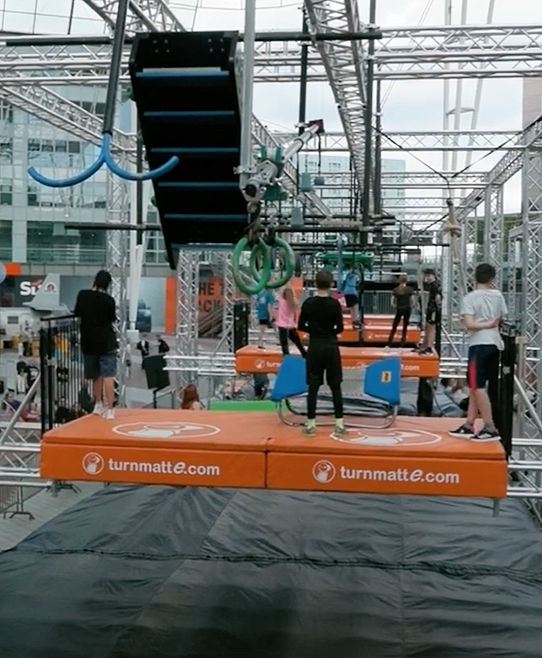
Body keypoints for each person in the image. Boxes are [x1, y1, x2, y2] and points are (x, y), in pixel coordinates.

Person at [449, 263, 507, 442]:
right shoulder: (498, 295)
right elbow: (501, 318)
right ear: (492, 278)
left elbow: (470, 324)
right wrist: (491, 324)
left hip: (479, 345)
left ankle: (490, 426)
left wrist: (485, 324)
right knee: (476, 385)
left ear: (475, 277)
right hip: (495, 344)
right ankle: (469, 424)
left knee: (477, 386)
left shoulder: (470, 298)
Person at [298, 270, 345, 437]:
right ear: (331, 284)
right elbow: (340, 327)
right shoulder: (334, 304)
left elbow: (301, 325)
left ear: (315, 284)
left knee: (313, 387)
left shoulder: (308, 303)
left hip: (315, 346)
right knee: (335, 386)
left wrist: (314, 330)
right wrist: (329, 331)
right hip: (331, 346)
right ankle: (339, 425)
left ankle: (311, 425)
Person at [74, 270, 118, 420]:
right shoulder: (109, 300)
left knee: (95, 375)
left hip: (89, 342)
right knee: (108, 375)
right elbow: (112, 318)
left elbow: (77, 313)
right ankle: (110, 409)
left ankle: (98, 404)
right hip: (107, 342)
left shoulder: (83, 295)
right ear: (108, 284)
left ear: (95, 280)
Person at [276, 286, 306, 357]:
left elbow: (280, 291)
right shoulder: (293, 302)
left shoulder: (281, 300)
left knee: (284, 343)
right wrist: (293, 295)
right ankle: (304, 353)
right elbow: (298, 305)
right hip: (290, 325)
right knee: (297, 341)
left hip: (282, 325)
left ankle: (286, 356)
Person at [418, 268, 441, 354]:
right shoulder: (433, 285)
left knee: (431, 327)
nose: (426, 278)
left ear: (433, 276)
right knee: (428, 326)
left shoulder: (435, 285)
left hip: (433, 308)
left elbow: (438, 297)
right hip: (431, 308)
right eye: (426, 276)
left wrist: (437, 306)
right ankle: (425, 345)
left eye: (428, 276)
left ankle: (429, 346)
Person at [387, 275, 414, 347]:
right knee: (405, 325)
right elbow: (412, 300)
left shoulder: (396, 289)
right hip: (407, 308)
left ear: (399, 281)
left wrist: (394, 305)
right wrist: (412, 305)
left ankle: (390, 341)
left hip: (399, 308)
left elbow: (392, 300)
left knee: (395, 325)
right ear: (406, 281)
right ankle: (402, 342)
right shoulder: (409, 289)